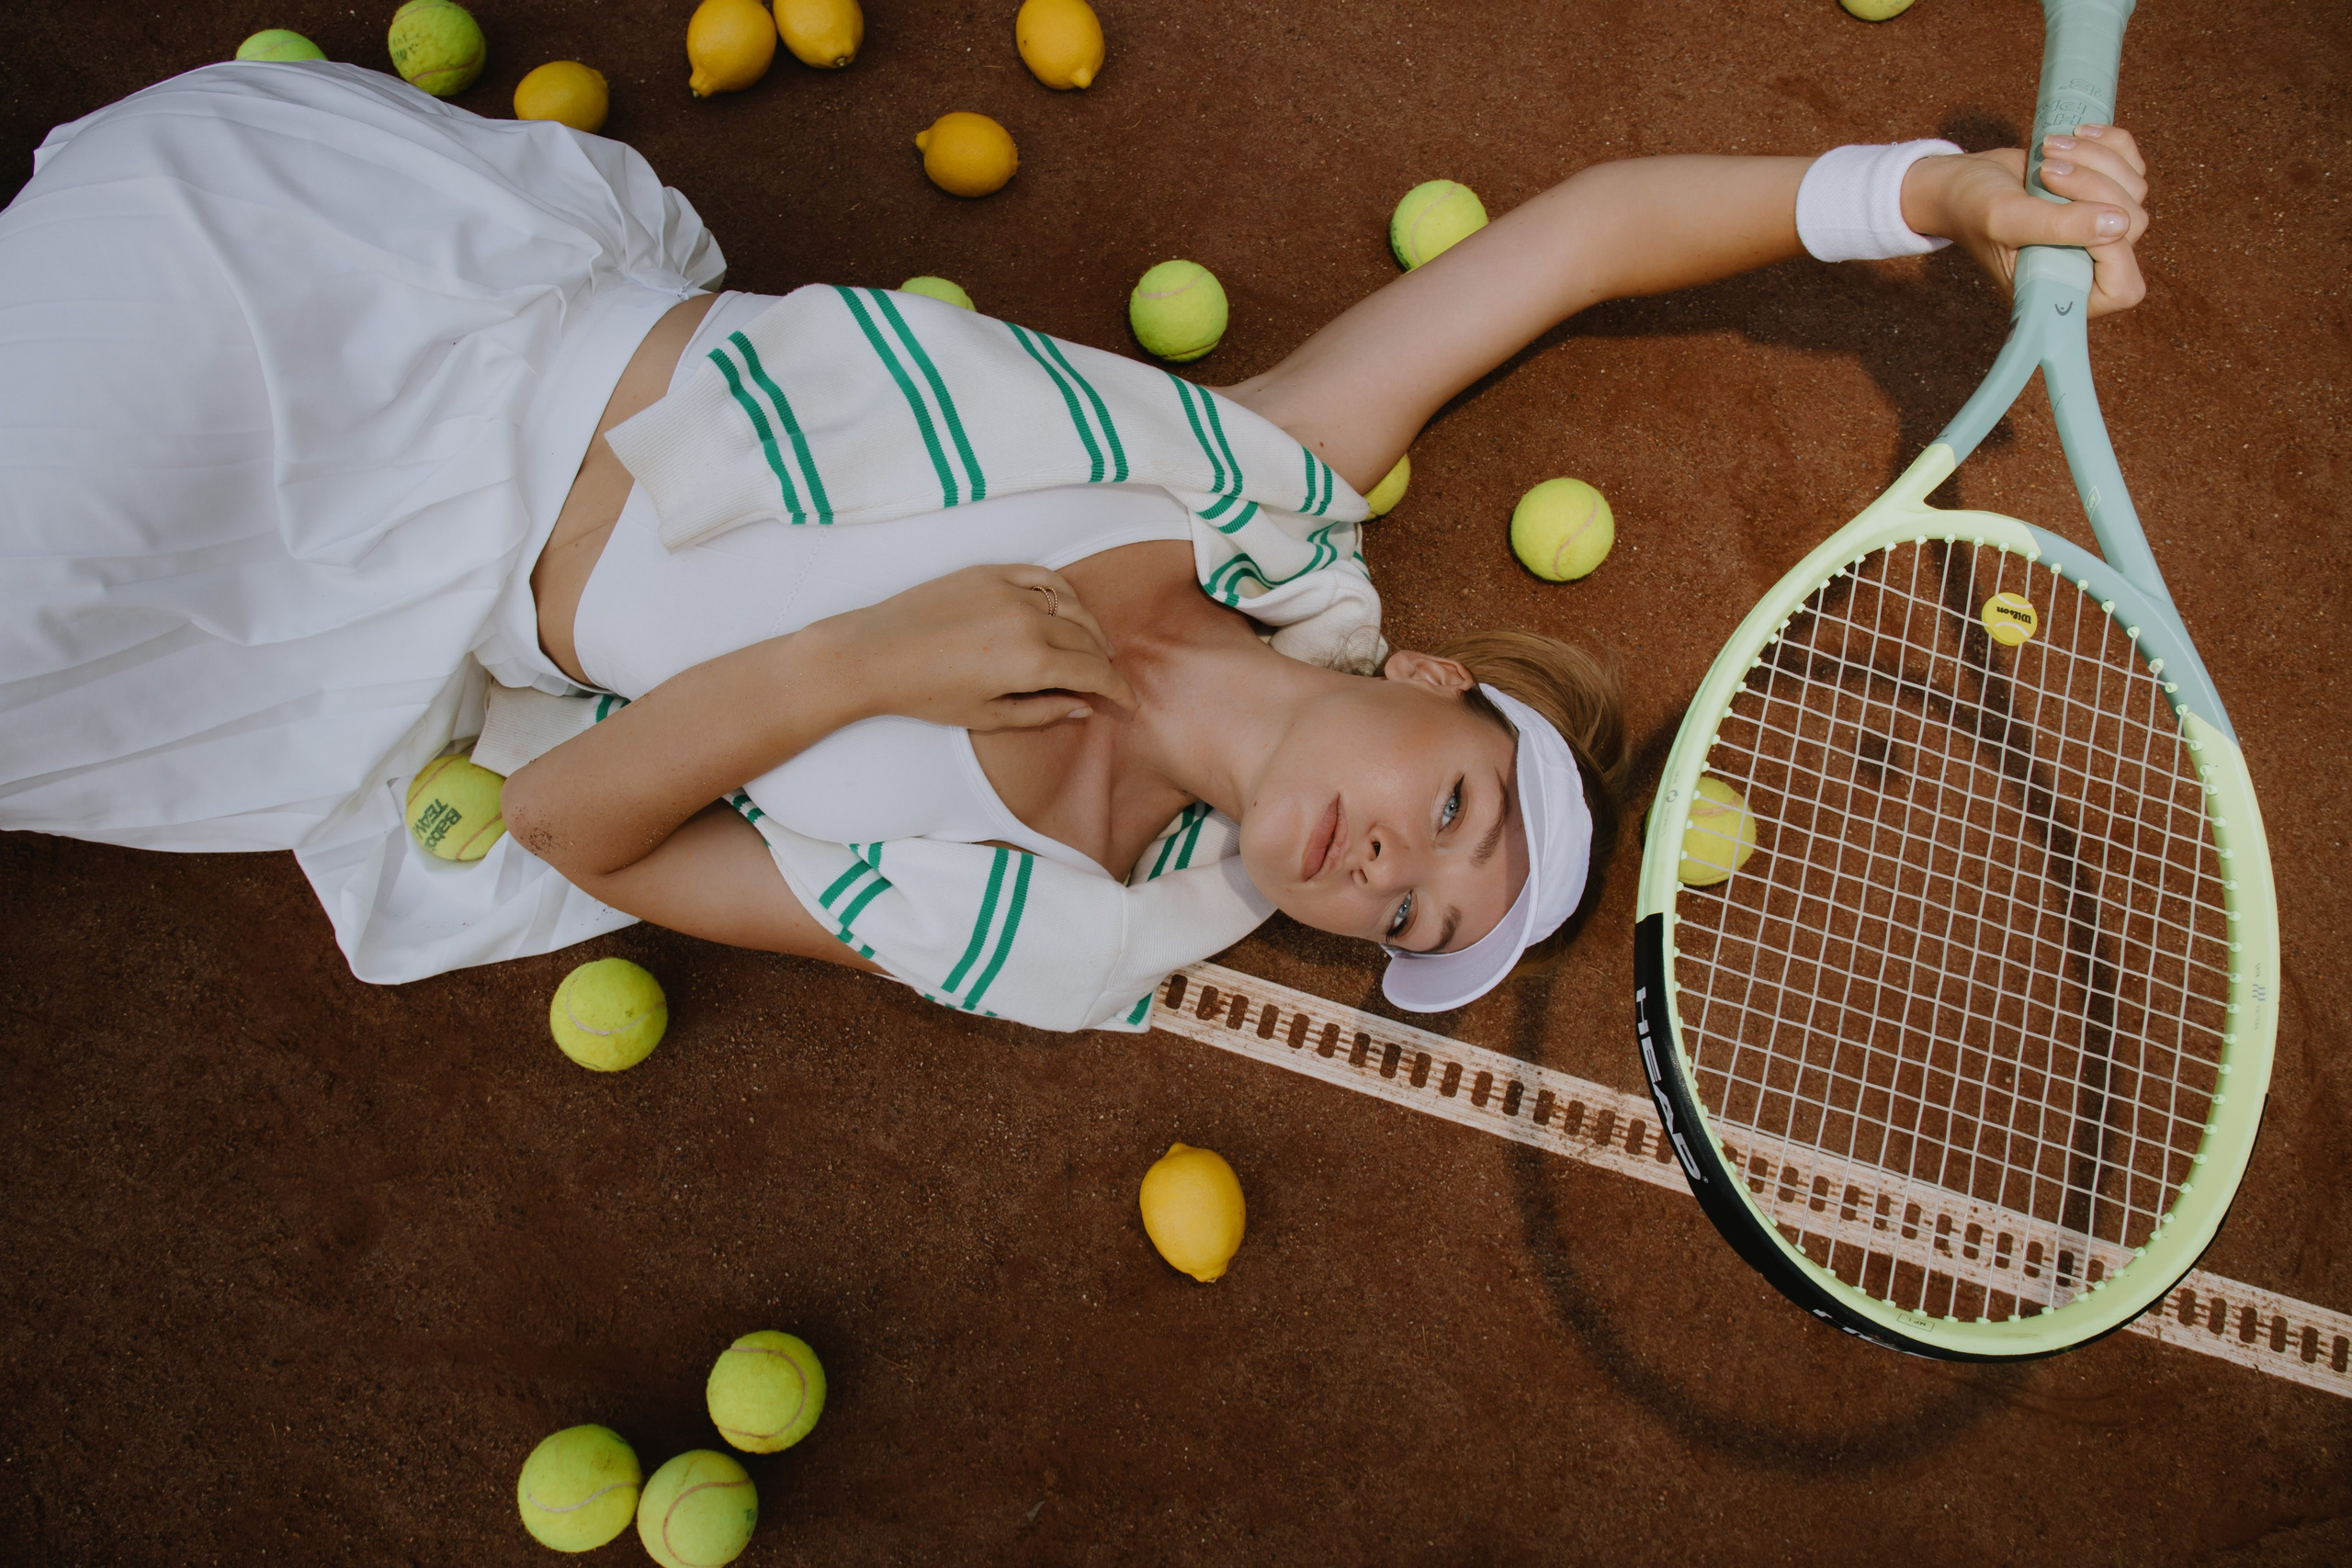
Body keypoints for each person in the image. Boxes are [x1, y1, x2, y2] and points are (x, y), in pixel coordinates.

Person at [0, 61, 2151, 1029]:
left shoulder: (1039, 910)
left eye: (1411, 917)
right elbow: (1573, 240)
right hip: (435, 287)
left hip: (318, 577)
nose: (1393, 872)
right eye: (1457, 811)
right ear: (1418, 683)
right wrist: (1935, 197)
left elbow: (577, 829)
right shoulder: (1255, 476)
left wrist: (865, 667)